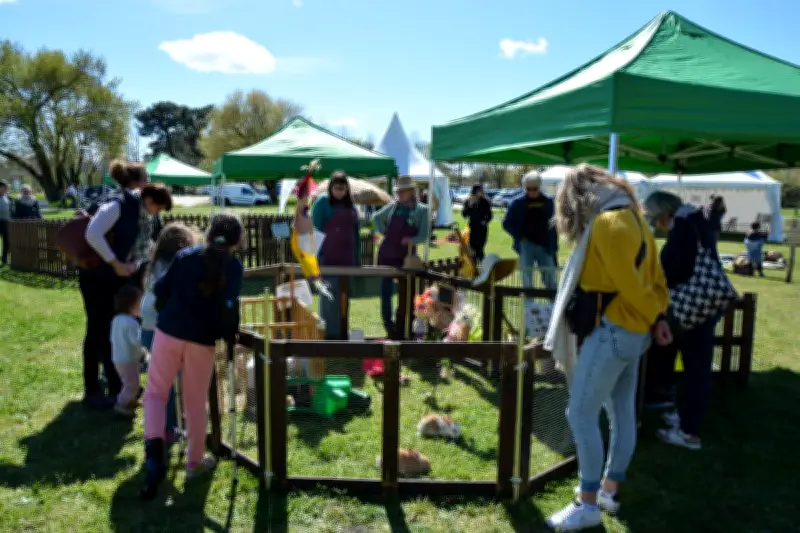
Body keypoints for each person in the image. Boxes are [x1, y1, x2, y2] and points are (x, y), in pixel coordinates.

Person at [544, 164, 671, 531]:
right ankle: (608, 491)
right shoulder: (636, 218)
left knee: (580, 413)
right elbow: (656, 281)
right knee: (620, 413)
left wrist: (653, 319)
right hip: (634, 334)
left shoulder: (609, 222)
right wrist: (658, 320)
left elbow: (630, 286)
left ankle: (586, 504)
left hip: (615, 331)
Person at [140, 213, 244, 500]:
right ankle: (194, 462)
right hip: (202, 340)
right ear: (237, 241)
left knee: (155, 394)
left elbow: (161, 290)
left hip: (169, 332)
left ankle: (153, 454)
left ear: (208, 234)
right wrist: (228, 333)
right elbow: (229, 306)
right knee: (195, 402)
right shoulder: (234, 267)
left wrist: (167, 313)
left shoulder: (186, 256)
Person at [643, 191, 725, 451]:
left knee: (695, 368)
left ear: (666, 213)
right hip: (705, 304)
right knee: (695, 365)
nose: (658, 225)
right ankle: (685, 415)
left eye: (657, 219)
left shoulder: (683, 228)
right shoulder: (696, 220)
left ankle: (689, 431)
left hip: (692, 307)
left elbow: (675, 270)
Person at [79, 160, 150, 409]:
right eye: (147, 178)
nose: (149, 183)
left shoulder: (131, 203)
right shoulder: (118, 202)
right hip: (97, 278)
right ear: (137, 181)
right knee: (97, 329)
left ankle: (115, 383)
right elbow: (92, 233)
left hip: (110, 278)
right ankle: (92, 389)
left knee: (112, 330)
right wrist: (115, 263)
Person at [140, 222, 200, 440]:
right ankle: (168, 427)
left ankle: (165, 424)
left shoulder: (155, 264)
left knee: (162, 380)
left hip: (147, 327)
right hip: (162, 328)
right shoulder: (177, 268)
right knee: (172, 381)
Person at [373, 175, 430, 340]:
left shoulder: (422, 210)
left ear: (412, 191)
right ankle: (389, 326)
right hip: (387, 254)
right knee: (385, 292)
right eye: (398, 191)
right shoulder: (392, 206)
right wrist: (384, 232)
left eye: (403, 191)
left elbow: (424, 235)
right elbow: (376, 218)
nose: (400, 194)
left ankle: (405, 327)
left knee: (407, 293)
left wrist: (411, 240)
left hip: (406, 257)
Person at [311, 171, 361, 340]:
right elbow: (315, 230)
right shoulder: (322, 202)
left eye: (343, 188)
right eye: (336, 188)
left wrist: (358, 259)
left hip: (347, 259)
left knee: (344, 298)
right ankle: (327, 335)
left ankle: (341, 334)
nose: (340, 192)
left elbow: (356, 234)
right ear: (330, 187)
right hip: (327, 259)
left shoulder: (351, 206)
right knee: (328, 297)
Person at [502, 171, 558, 289]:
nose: (531, 191)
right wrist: (519, 237)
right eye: (528, 188)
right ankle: (529, 305)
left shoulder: (549, 202)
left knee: (550, 279)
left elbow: (555, 224)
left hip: (545, 246)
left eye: (535, 188)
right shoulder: (518, 203)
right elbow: (506, 223)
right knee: (526, 279)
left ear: (540, 186)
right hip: (526, 245)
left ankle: (553, 305)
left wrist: (554, 245)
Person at [128, 183, 173, 289]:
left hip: (140, 265)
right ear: (149, 200)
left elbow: (146, 238)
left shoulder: (147, 215)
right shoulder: (130, 211)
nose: (157, 213)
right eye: (158, 209)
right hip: (129, 268)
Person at [110, 285, 145, 417]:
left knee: (130, 381)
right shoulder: (132, 323)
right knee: (132, 384)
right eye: (140, 303)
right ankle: (121, 404)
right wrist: (143, 351)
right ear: (132, 305)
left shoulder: (116, 319)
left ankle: (129, 400)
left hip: (118, 358)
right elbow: (136, 342)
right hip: (128, 359)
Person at [461, 184, 492, 262]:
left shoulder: (485, 201)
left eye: (482, 190)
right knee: (472, 250)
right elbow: (464, 214)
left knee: (480, 249)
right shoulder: (468, 201)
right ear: (475, 191)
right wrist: (470, 205)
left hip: (482, 229)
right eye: (480, 190)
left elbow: (490, 215)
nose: (482, 192)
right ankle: (474, 269)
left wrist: (485, 221)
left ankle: (483, 267)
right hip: (472, 228)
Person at [0, 181, 10, 266]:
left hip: (6, 222)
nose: (6, 189)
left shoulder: (7, 197)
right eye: (4, 187)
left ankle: (4, 259)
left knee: (6, 241)